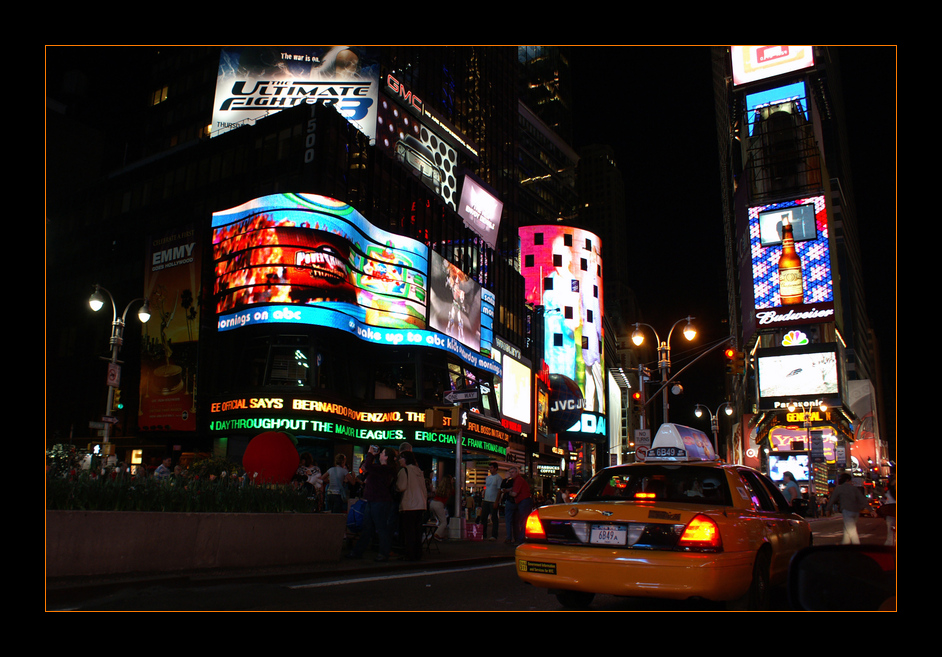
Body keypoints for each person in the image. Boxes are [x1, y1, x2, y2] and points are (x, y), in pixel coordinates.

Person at [348, 446, 396, 561]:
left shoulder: (385, 469)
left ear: (386, 457)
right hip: (375, 500)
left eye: (382, 453)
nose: (380, 455)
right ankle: (360, 551)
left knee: (379, 527)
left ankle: (381, 553)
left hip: (379, 501)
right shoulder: (384, 469)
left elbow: (368, 466)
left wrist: (370, 454)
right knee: (370, 527)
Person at [396, 451, 427, 561]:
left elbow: (401, 487)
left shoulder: (404, 471)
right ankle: (417, 553)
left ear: (405, 459)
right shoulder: (418, 471)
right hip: (420, 504)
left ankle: (409, 554)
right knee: (417, 531)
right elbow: (424, 489)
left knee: (408, 532)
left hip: (409, 504)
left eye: (401, 458)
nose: (399, 460)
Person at [826, 473, 868, 544]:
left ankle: (857, 546)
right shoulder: (854, 489)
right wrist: (871, 510)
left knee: (851, 530)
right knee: (847, 529)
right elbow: (863, 499)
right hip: (856, 512)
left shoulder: (839, 488)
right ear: (848, 480)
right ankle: (845, 544)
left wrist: (827, 509)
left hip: (847, 511)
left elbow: (832, 499)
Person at [481, 463, 502, 541]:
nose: (490, 469)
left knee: (494, 518)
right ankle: (483, 533)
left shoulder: (498, 478)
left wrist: (496, 501)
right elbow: (486, 488)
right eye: (490, 467)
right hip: (487, 500)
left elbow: (500, 490)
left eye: (492, 467)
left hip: (493, 500)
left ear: (496, 468)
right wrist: (483, 498)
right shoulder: (488, 478)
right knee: (483, 517)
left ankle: (494, 535)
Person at [429, 476, 453, 541]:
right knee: (444, 522)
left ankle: (437, 535)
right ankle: (436, 535)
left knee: (439, 521)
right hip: (439, 504)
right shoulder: (450, 489)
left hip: (433, 503)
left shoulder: (440, 488)